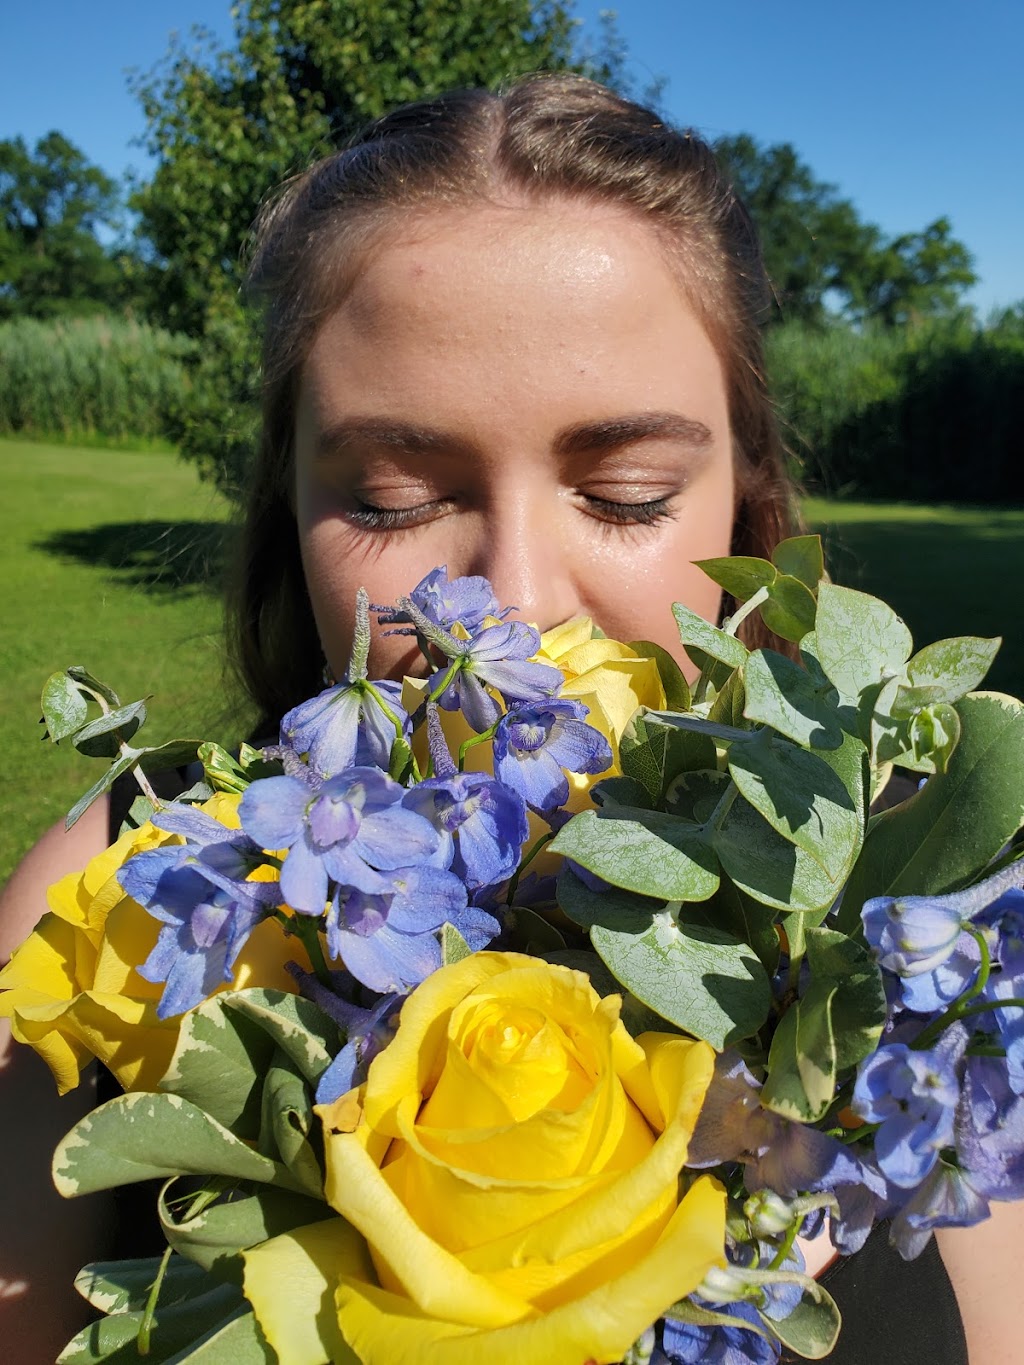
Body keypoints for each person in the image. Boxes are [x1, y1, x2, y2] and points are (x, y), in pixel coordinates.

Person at [0, 74, 1017, 1364]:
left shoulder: (909, 914)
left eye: (628, 494)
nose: (515, 612)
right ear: (288, 504)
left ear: (746, 507)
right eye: (391, 499)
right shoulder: (119, 889)